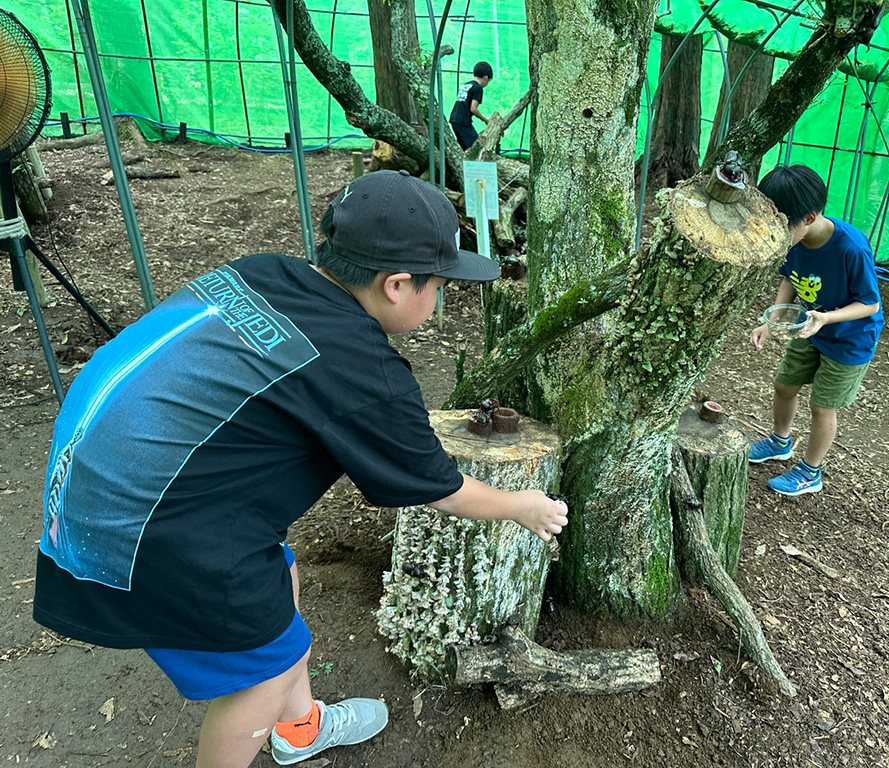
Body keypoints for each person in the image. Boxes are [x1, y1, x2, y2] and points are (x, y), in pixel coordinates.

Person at [33, 169, 569, 767]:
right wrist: (525, 506)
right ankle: (268, 724)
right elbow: (440, 488)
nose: (440, 300)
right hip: (139, 533)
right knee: (263, 674)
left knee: (279, 582)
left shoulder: (260, 272)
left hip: (87, 474)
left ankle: (299, 729)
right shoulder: (366, 374)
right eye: (438, 285)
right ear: (397, 285)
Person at [748, 164, 884, 496]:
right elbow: (789, 278)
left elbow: (870, 304)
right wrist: (771, 319)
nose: (777, 233)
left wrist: (825, 318)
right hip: (809, 328)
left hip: (849, 339)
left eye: (783, 225)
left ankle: (811, 472)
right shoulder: (794, 242)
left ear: (808, 218)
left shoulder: (851, 248)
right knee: (784, 385)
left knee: (822, 407)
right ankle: (781, 441)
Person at [449, 61, 493, 151]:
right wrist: (485, 120)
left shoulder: (466, 85)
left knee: (464, 147)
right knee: (475, 147)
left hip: (455, 118)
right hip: (463, 122)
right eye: (488, 80)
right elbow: (473, 108)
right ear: (485, 78)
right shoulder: (478, 88)